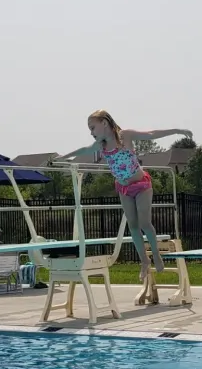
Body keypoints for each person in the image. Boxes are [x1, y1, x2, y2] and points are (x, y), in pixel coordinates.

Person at [58, 109, 192, 280]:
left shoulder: (125, 136)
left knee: (144, 222)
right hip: (124, 189)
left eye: (92, 128)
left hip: (142, 184)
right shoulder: (101, 145)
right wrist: (65, 157)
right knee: (133, 225)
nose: (91, 133)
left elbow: (151, 134)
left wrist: (177, 131)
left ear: (104, 123)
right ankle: (144, 261)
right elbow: (84, 150)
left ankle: (156, 255)